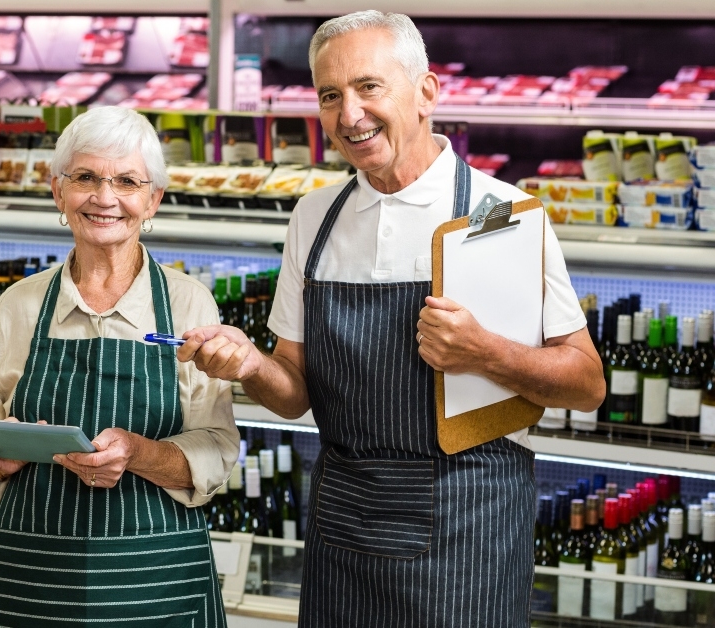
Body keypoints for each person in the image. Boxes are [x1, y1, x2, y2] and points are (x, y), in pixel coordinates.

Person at [179, 11, 606, 627]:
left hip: (470, 526)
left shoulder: (500, 213)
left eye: (369, 87)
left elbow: (587, 384)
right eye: (330, 96)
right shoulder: (315, 218)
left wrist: (485, 351)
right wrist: (249, 363)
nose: (349, 114)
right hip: (344, 521)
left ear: (427, 92)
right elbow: (294, 392)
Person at [0, 106, 237, 627]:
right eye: (86, 177)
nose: (105, 197)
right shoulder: (20, 304)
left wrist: (136, 453)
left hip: (155, 581)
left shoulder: (188, 304)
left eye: (127, 181)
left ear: (152, 199)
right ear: (58, 193)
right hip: (33, 579)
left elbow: (217, 449)